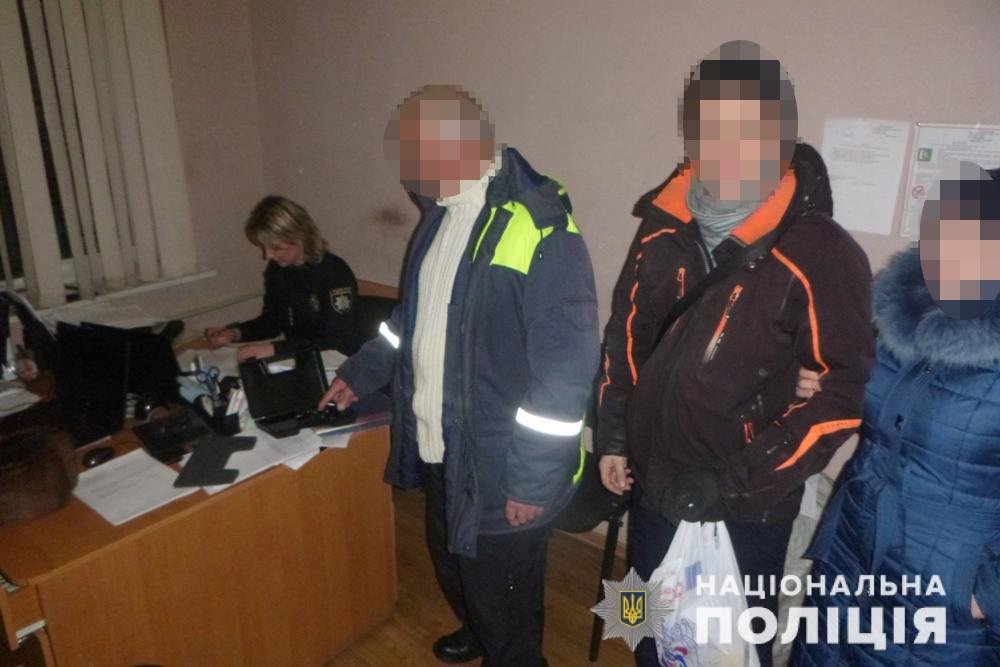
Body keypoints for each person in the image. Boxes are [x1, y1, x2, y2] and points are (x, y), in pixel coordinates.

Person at [594, 41, 875, 666]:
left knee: (728, 651)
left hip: (747, 504)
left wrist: (732, 482)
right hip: (652, 482)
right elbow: (626, 334)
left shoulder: (821, 252)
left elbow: (840, 397)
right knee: (647, 632)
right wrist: (613, 437)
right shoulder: (662, 222)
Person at [318, 85, 599, 666]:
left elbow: (564, 372)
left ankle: (507, 649)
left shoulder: (540, 226)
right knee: (453, 561)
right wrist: (362, 372)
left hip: (502, 464)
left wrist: (531, 481)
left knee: (504, 598)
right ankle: (479, 627)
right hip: (445, 445)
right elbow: (410, 321)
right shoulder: (440, 217)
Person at [792, 163, 1000, 664]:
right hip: (850, 550)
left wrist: (986, 595)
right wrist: (830, 385)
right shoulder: (905, 314)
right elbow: (888, 410)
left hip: (947, 586)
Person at [204, 195, 359, 361]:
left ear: (301, 238)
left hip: (336, 361)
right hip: (300, 357)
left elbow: (336, 340)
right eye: (264, 247)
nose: (267, 255)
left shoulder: (334, 272)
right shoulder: (278, 270)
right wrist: (235, 333)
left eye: (276, 248)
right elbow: (272, 322)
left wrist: (274, 349)